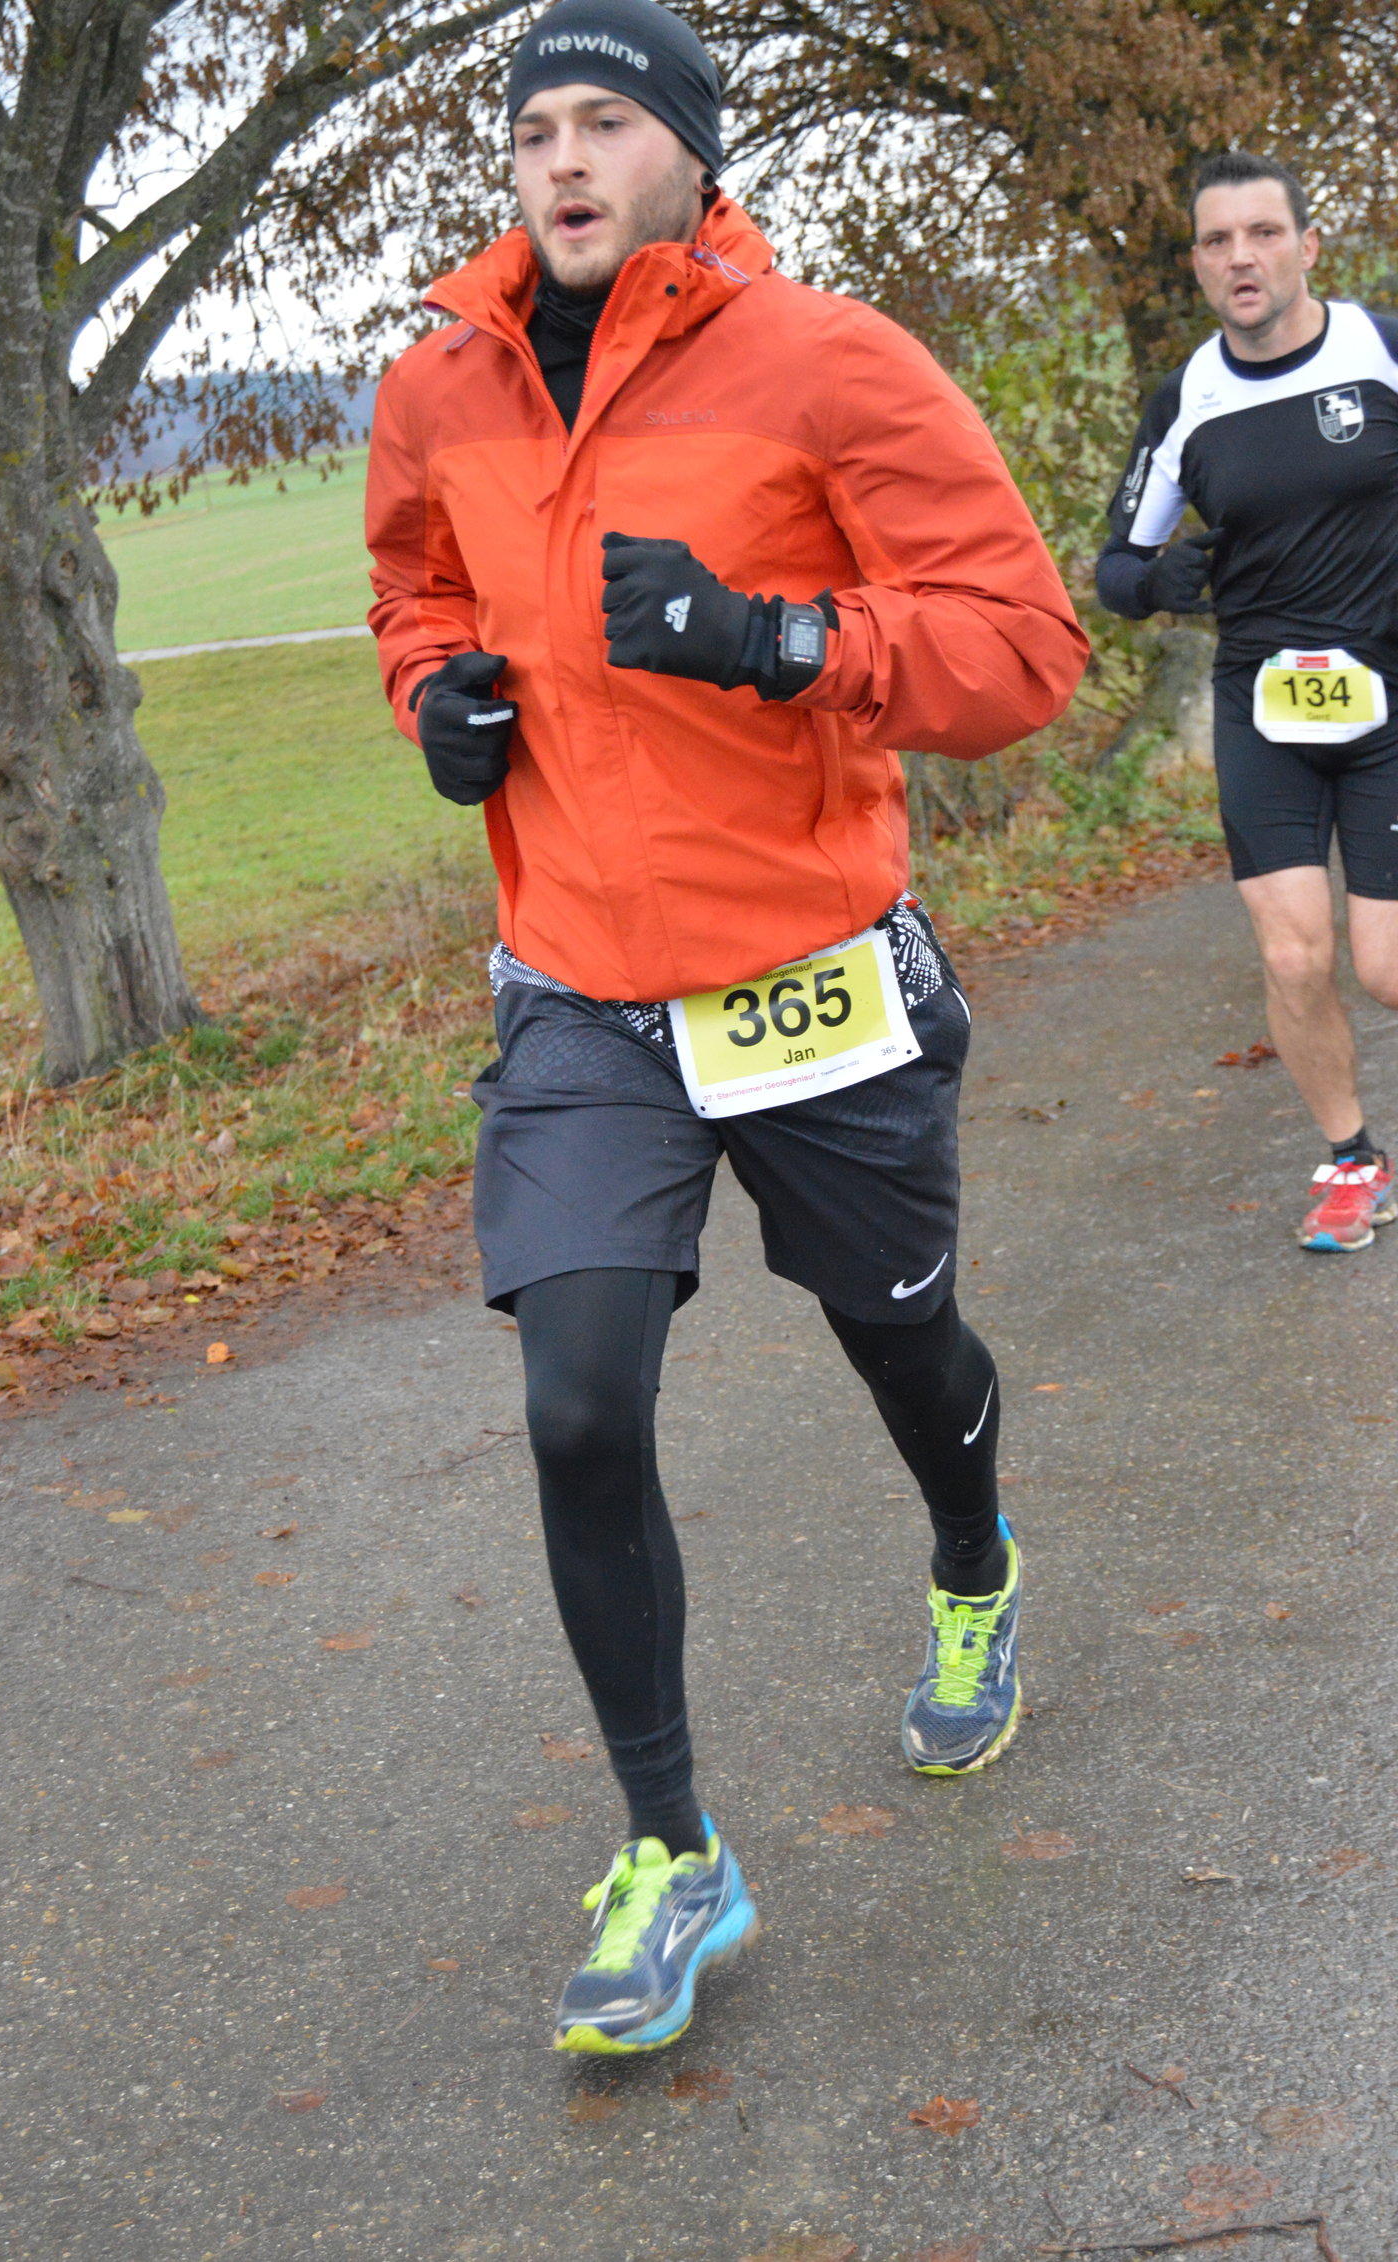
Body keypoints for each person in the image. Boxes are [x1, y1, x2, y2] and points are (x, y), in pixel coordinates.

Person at [366, 0, 1086, 2055]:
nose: (560, 158)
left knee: (897, 1338)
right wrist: (433, 700)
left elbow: (1019, 649)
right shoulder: (435, 381)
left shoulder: (827, 360)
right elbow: (414, 592)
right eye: (533, 128)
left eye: (604, 120)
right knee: (578, 1404)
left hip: (805, 978)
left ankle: (970, 1560)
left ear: (688, 152)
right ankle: (670, 1853)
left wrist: (778, 637)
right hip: (579, 989)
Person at [1097, 150, 1398, 1254]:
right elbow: (1115, 570)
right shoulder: (1188, 398)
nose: (1243, 257)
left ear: (1307, 245)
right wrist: (1160, 582)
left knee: (1386, 967)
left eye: (1264, 233)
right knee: (1293, 956)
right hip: (1264, 708)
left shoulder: (1380, 350)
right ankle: (1352, 1161)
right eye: (1218, 240)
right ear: (1196, 264)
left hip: (1391, 697)